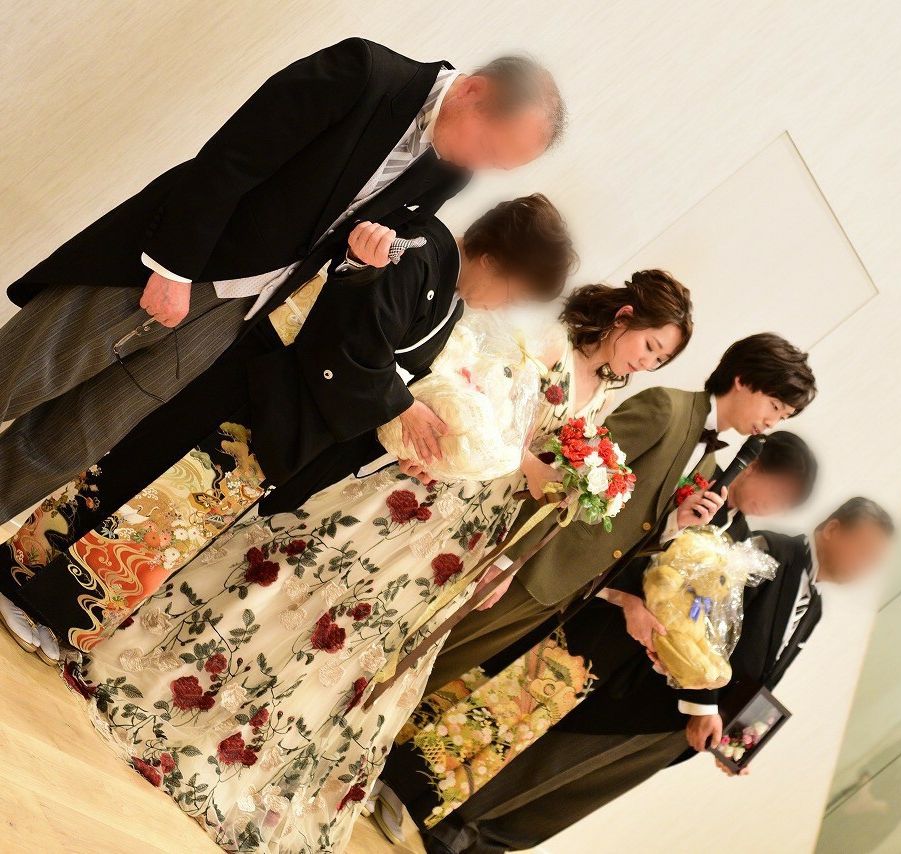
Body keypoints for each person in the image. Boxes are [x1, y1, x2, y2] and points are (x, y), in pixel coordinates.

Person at [57, 271, 695, 852]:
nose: (648, 363)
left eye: (660, 360)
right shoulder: (547, 345)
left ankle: (260, 747)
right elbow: (480, 406)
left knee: (372, 641)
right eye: (650, 346)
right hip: (439, 498)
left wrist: (523, 540)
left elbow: (549, 467)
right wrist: (524, 463)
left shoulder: (604, 395)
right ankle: (190, 688)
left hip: (480, 534)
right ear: (623, 317)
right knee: (318, 584)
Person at [0, 39, 565, 521]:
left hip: (236, 316)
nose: (479, 166)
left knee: (79, 437)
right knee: (20, 374)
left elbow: (343, 255)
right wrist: (173, 269)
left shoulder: (449, 172)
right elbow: (230, 160)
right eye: (489, 148)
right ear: (473, 91)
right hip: (171, 265)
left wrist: (362, 263)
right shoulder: (365, 73)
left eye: (498, 165)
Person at [0, 194, 573, 659]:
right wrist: (400, 408)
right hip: (257, 394)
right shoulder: (417, 251)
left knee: (172, 519)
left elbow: (392, 366)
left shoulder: (447, 298)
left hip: (287, 416)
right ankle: (27, 586)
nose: (504, 306)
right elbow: (346, 339)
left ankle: (55, 605)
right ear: (495, 261)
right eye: (514, 292)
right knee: (143, 487)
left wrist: (411, 431)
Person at [377, 431, 820, 841]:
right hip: (595, 609)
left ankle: (417, 796)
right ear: (753, 468)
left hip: (620, 648)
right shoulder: (700, 481)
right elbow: (631, 533)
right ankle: (390, 769)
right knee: (491, 691)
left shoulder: (739, 538)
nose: (774, 507)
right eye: (778, 493)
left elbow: (701, 613)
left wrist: (674, 652)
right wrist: (628, 600)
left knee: (520, 722)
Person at [417, 497, 895, 853]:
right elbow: (701, 615)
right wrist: (702, 703)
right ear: (834, 529)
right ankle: (455, 823)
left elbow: (758, 675)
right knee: (557, 765)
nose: (866, 566)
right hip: (658, 697)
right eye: (866, 550)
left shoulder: (814, 609)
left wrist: (737, 739)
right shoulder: (771, 552)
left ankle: (486, 843)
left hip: (685, 731)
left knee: (580, 793)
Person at [406, 332, 819, 700]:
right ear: (743, 380)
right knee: (421, 654)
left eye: (783, 417)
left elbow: (636, 531)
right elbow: (571, 477)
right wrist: (507, 560)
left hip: (564, 594)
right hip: (531, 565)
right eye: (774, 406)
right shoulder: (666, 407)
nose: (772, 422)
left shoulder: (711, 465)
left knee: (437, 675)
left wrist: (678, 525)